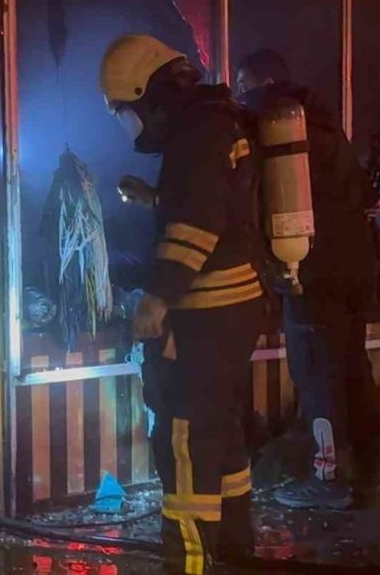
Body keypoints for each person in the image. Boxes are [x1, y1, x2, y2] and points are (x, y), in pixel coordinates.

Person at [101, 34, 265, 574]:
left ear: (145, 95)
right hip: (235, 306)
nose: (127, 125)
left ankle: (190, 562)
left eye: (124, 111)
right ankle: (235, 549)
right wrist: (154, 198)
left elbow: (196, 225)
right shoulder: (217, 123)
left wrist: (156, 297)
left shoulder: (196, 133)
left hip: (204, 314)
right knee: (220, 429)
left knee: (185, 436)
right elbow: (215, 205)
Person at [236, 48, 380, 510]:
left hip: (309, 270)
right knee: (353, 364)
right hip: (358, 265)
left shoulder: (267, 123)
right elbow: (366, 196)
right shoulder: (326, 123)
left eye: (242, 84)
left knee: (317, 372)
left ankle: (328, 478)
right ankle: (371, 465)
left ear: (259, 83)